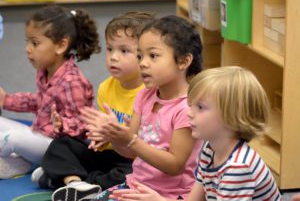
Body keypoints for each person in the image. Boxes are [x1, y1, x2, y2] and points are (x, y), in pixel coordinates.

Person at [31, 12, 155, 201]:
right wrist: (98, 136)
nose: (113, 57)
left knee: (132, 177)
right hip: (109, 154)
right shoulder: (106, 86)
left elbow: (149, 144)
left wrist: (118, 136)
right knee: (62, 144)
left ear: (145, 56)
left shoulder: (150, 93)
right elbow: (99, 130)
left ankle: (64, 178)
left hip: (134, 159)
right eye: (110, 49)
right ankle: (74, 183)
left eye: (124, 51)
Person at [111, 66, 282, 201]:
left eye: (200, 107)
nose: (189, 113)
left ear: (232, 117)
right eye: (191, 105)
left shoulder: (237, 167)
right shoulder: (210, 150)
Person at [89, 15, 204, 201]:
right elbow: (131, 152)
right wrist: (115, 137)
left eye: (153, 56)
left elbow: (175, 165)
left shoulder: (187, 108)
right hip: (137, 185)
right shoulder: (145, 95)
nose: (142, 63)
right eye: (140, 56)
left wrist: (131, 140)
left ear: (183, 61)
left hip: (170, 195)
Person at [0, 5, 100, 179]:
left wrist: (62, 124)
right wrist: (6, 100)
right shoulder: (45, 71)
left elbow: (83, 124)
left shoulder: (72, 81)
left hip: (58, 148)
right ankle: (19, 162)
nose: (27, 49)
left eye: (35, 43)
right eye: (27, 42)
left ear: (61, 45)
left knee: (12, 138)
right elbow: (38, 102)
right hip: (40, 136)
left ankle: (22, 158)